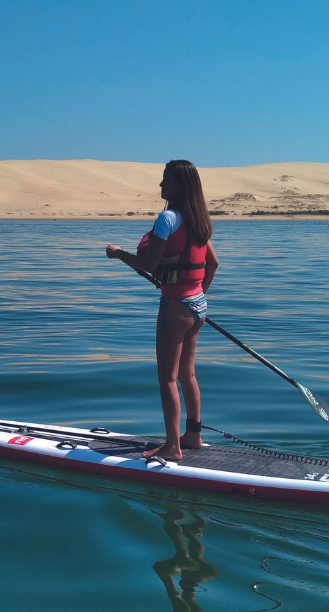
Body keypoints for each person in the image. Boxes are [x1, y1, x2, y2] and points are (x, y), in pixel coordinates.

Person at [106, 160, 218, 461]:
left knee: (168, 378)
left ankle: (172, 446)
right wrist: (195, 293)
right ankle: (193, 435)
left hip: (177, 308)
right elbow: (214, 263)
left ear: (179, 185)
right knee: (188, 373)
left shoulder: (168, 218)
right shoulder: (199, 219)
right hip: (198, 307)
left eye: (165, 179)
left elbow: (149, 265)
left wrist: (119, 255)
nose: (160, 184)